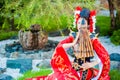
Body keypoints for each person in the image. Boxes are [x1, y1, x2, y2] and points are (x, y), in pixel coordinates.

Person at [27, 6, 110, 80]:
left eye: (83, 23)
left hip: (85, 70)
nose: (80, 25)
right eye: (79, 22)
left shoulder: (92, 40)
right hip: (74, 66)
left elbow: (105, 56)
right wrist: (73, 43)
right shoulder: (73, 37)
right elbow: (60, 47)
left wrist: (91, 64)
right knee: (58, 76)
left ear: (88, 25)